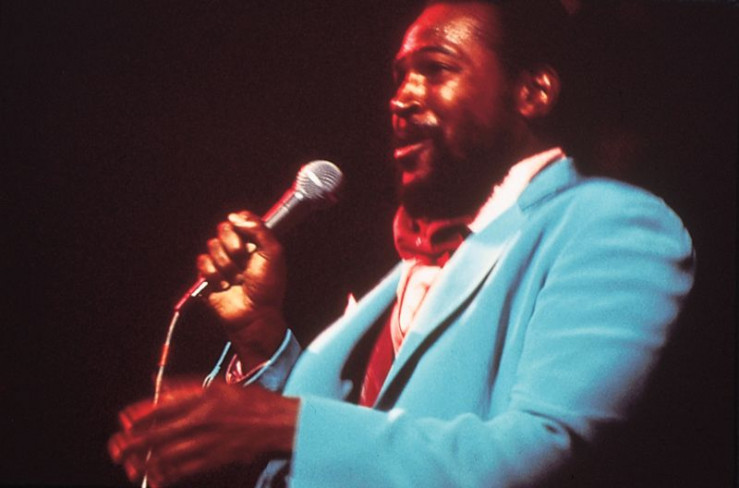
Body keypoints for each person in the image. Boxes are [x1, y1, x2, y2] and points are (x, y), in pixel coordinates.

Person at [108, 1, 695, 486]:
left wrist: (283, 425)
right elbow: (342, 443)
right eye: (399, 77)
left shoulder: (613, 222)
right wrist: (261, 338)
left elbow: (547, 452)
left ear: (532, 92)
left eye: (436, 70)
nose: (403, 98)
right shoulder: (398, 278)